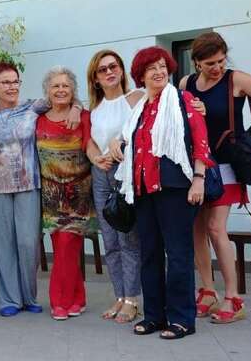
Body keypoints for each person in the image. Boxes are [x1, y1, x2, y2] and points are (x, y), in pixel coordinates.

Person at [179, 32, 251, 324]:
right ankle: (207, 291)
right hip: (198, 166)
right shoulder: (186, 85)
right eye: (210, 63)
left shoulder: (235, 80)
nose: (217, 67)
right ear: (196, 63)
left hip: (228, 165)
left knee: (216, 228)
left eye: (221, 60)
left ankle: (233, 297)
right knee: (197, 231)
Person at [116, 46, 214, 340]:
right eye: (151, 68)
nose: (158, 72)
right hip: (144, 190)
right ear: (141, 75)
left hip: (175, 187)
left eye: (162, 66)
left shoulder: (184, 101)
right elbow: (128, 142)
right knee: (150, 255)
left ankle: (182, 318)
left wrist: (198, 179)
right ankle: (155, 316)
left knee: (179, 254)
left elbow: (201, 142)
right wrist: (115, 145)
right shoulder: (139, 110)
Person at [0, 61, 80, 317]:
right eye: (5, 82)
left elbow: (64, 96)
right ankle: (8, 300)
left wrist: (78, 109)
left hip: (29, 184)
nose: (12, 87)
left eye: (15, 81)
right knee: (3, 245)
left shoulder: (32, 106)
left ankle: (28, 296)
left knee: (28, 243)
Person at [84, 50, 143, 323]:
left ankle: (133, 298)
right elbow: (90, 141)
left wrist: (119, 143)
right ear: (95, 78)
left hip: (126, 173)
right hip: (101, 175)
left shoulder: (137, 98)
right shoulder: (93, 109)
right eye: (102, 69)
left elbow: (147, 127)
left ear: (121, 70)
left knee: (128, 239)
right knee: (109, 241)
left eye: (113, 66)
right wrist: (95, 157)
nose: (109, 72)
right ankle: (119, 296)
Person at [35, 66, 93, 321]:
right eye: (55, 86)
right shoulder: (38, 119)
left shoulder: (84, 117)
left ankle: (60, 301)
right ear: (47, 91)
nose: (60, 90)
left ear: (73, 91)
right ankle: (77, 298)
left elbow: (90, 146)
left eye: (65, 86)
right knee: (62, 248)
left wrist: (78, 108)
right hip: (50, 195)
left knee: (69, 245)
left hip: (79, 193)